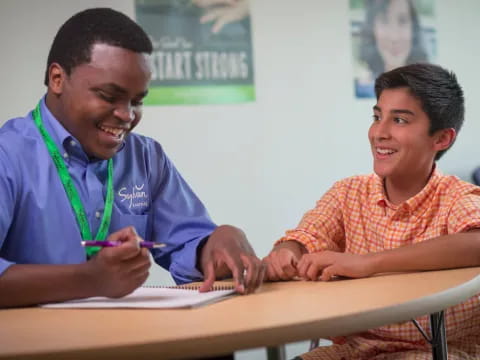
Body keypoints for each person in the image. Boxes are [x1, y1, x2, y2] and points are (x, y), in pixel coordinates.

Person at [0, 7, 264, 311]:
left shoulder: (146, 158)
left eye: (137, 101)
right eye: (109, 96)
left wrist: (216, 244)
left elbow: (188, 242)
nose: (127, 116)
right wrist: (89, 279)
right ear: (57, 79)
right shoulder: (8, 156)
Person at [264, 63, 480, 359]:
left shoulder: (457, 197)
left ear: (441, 138)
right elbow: (307, 236)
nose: (379, 132)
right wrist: (288, 252)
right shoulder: (348, 193)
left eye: (400, 120)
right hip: (356, 350)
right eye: (377, 116)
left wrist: (367, 263)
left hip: (438, 351)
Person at [354, 0, 429, 98]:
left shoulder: (429, 90)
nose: (394, 37)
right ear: (372, 29)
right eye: (384, 20)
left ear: (413, 28)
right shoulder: (362, 90)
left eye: (402, 21)